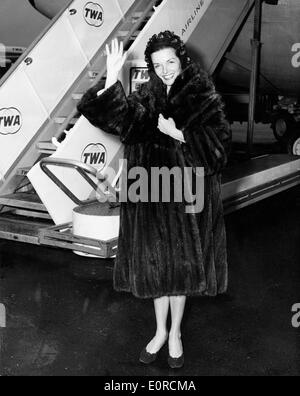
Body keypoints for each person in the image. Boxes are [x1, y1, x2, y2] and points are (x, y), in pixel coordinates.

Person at [77, 31, 231, 369]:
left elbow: (219, 151)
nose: (165, 70)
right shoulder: (146, 96)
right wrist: (113, 75)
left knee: (183, 269)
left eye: (170, 62)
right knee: (156, 267)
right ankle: (159, 331)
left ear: (182, 60)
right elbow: (120, 120)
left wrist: (181, 134)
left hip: (190, 194)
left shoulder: (204, 97)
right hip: (151, 193)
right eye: (157, 65)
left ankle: (175, 332)